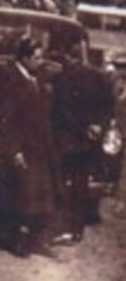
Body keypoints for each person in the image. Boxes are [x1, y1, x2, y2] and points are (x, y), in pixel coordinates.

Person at [0, 37, 62, 258]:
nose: (41, 61)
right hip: (21, 148)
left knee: (40, 196)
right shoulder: (9, 79)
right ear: (24, 57)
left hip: (40, 148)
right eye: (37, 57)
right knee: (19, 196)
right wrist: (13, 150)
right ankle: (16, 241)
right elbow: (3, 118)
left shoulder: (36, 78)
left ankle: (36, 240)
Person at [52, 43, 114, 244]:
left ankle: (60, 227)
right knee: (79, 185)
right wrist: (97, 126)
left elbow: (61, 111)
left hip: (67, 140)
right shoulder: (98, 77)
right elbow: (108, 105)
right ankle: (75, 229)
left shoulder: (61, 78)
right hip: (87, 142)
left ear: (68, 58)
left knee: (61, 184)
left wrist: (86, 127)